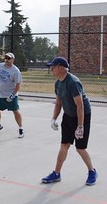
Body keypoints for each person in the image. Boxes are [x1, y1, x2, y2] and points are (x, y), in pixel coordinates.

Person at [42, 57, 98, 186]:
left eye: (53, 67)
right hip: (68, 116)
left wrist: (80, 126)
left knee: (80, 148)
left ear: (61, 68)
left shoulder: (73, 82)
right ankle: (56, 173)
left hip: (82, 116)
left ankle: (92, 171)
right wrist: (53, 118)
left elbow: (80, 106)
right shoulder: (58, 83)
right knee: (64, 145)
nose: (51, 69)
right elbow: (58, 103)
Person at [0, 52, 24, 138]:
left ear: (13, 60)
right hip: (0, 93)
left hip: (11, 94)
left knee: (15, 111)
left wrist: (13, 95)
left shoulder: (15, 71)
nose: (7, 60)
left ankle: (20, 128)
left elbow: (18, 85)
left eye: (9, 58)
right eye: (6, 58)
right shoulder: (0, 66)